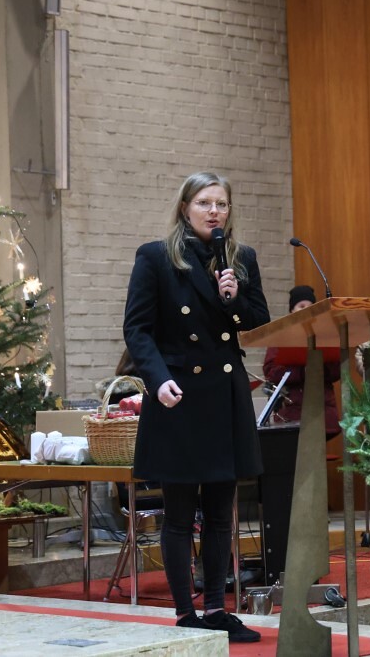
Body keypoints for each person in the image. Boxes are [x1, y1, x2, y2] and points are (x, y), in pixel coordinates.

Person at [123, 171, 269, 642]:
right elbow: (137, 329)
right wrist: (157, 378)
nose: (214, 211)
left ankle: (217, 609)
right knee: (181, 513)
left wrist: (233, 299)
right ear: (185, 207)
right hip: (179, 394)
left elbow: (258, 324)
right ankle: (186, 614)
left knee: (222, 511)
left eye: (221, 204)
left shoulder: (241, 259)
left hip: (224, 394)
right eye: (205, 202)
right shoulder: (156, 257)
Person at [262, 285, 341, 437]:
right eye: (301, 306)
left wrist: (319, 369)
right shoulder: (282, 336)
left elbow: (337, 369)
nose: (306, 310)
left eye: (311, 306)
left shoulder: (324, 335)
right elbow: (270, 371)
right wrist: (302, 372)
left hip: (322, 410)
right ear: (292, 310)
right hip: (293, 410)